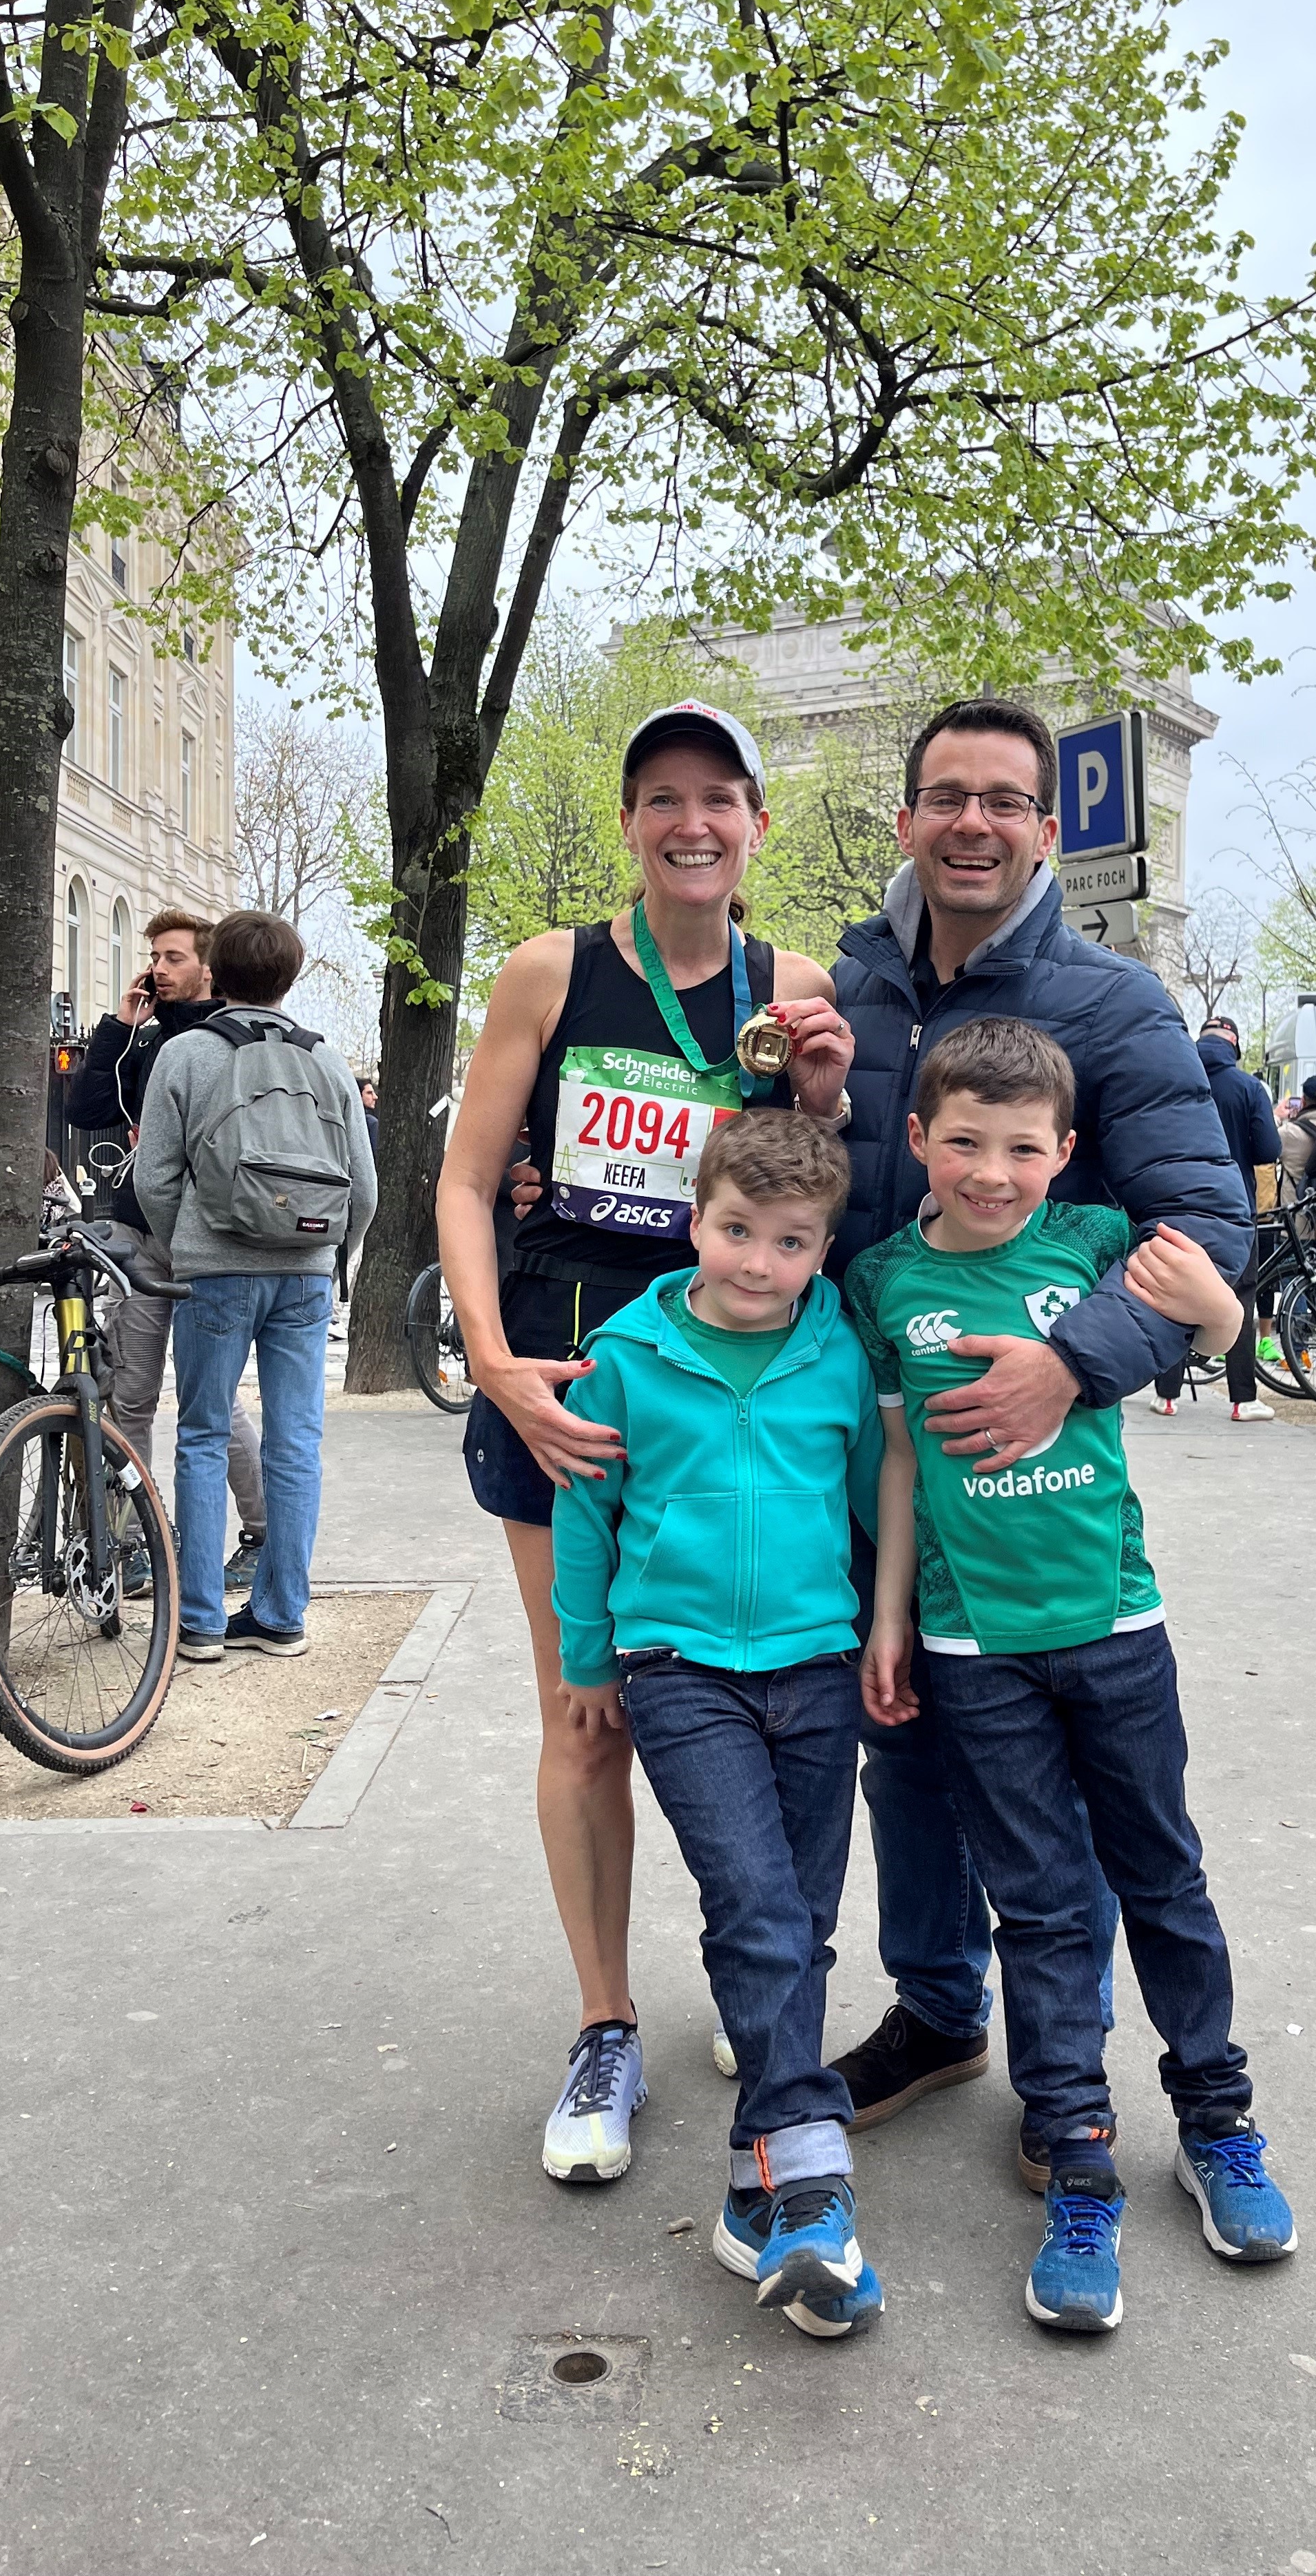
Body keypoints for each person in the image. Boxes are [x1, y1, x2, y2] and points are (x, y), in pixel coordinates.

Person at [768, 695, 1251, 2137]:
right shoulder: (844, 996)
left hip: (1035, 1490)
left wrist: (1076, 1361)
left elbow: (1204, 1219)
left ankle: (1077, 2074)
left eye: (1004, 800)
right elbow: (799, 1201)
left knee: (1071, 1797)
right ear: (907, 820)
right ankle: (936, 2010)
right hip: (862, 1453)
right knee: (900, 1733)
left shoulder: (1111, 1004)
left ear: (1047, 826)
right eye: (945, 797)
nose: (972, 822)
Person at [435, 700, 855, 2184]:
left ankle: (754, 1971)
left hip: (736, 1392)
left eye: (720, 799)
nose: (692, 822)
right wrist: (493, 1365)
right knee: (587, 1713)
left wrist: (825, 1096)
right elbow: (468, 1181)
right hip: (569, 1390)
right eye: (663, 797)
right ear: (629, 822)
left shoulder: (791, 985)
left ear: (755, 827)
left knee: (767, 1697)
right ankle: (606, 2022)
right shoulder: (551, 971)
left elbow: (822, 1192)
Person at [851, 1018, 1293, 2334]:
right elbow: (894, 1464)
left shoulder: (1095, 1247)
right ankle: (1077, 2161)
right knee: (1040, 1907)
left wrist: (1210, 1299)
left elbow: (1217, 1329)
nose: (992, 1172)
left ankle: (1216, 2123)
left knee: (1159, 1874)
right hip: (971, 1646)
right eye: (966, 1143)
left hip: (1113, 1627)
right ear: (917, 1139)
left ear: (1065, 1153)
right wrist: (887, 1620)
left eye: (1023, 1148)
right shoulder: (881, 1281)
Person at [550, 1112, 885, 2335]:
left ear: (821, 1248)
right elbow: (586, 1511)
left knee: (798, 1913)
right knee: (749, 1900)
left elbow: (868, 1499)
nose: (754, 1261)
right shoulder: (627, 1355)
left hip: (815, 1662)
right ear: (694, 1218)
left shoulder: (834, 1354)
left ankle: (758, 2190)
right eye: (734, 1230)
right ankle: (807, 2180)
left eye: (787, 1242)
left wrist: (885, 1629)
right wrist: (588, 1655)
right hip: (676, 1668)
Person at [134, 910, 375, 1661]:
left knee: (204, 1435)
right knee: (296, 1440)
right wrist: (334, 1255)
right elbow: (362, 1187)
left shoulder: (188, 1055)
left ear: (216, 973)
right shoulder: (329, 1063)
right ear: (290, 977)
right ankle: (280, 1615)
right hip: (304, 1271)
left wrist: (190, 1242)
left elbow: (154, 1176)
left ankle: (200, 1622)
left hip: (217, 1269)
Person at [65, 908, 268, 1595]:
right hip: (141, 1241)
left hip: (207, 1244)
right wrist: (121, 1025)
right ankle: (137, 1544)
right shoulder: (149, 1044)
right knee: (131, 1398)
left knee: (214, 1403)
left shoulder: (225, 1040)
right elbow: (88, 1110)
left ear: (210, 968)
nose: (158, 968)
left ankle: (264, 1532)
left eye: (174, 957)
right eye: (155, 956)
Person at [1153, 1015, 1280, 1421]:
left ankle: (1166, 1395)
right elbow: (1267, 1149)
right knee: (1240, 1296)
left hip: (1177, 1204)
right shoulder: (1248, 1087)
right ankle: (1243, 1399)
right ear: (1235, 1046)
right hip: (1235, 1207)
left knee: (1175, 1291)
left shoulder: (1172, 1084)